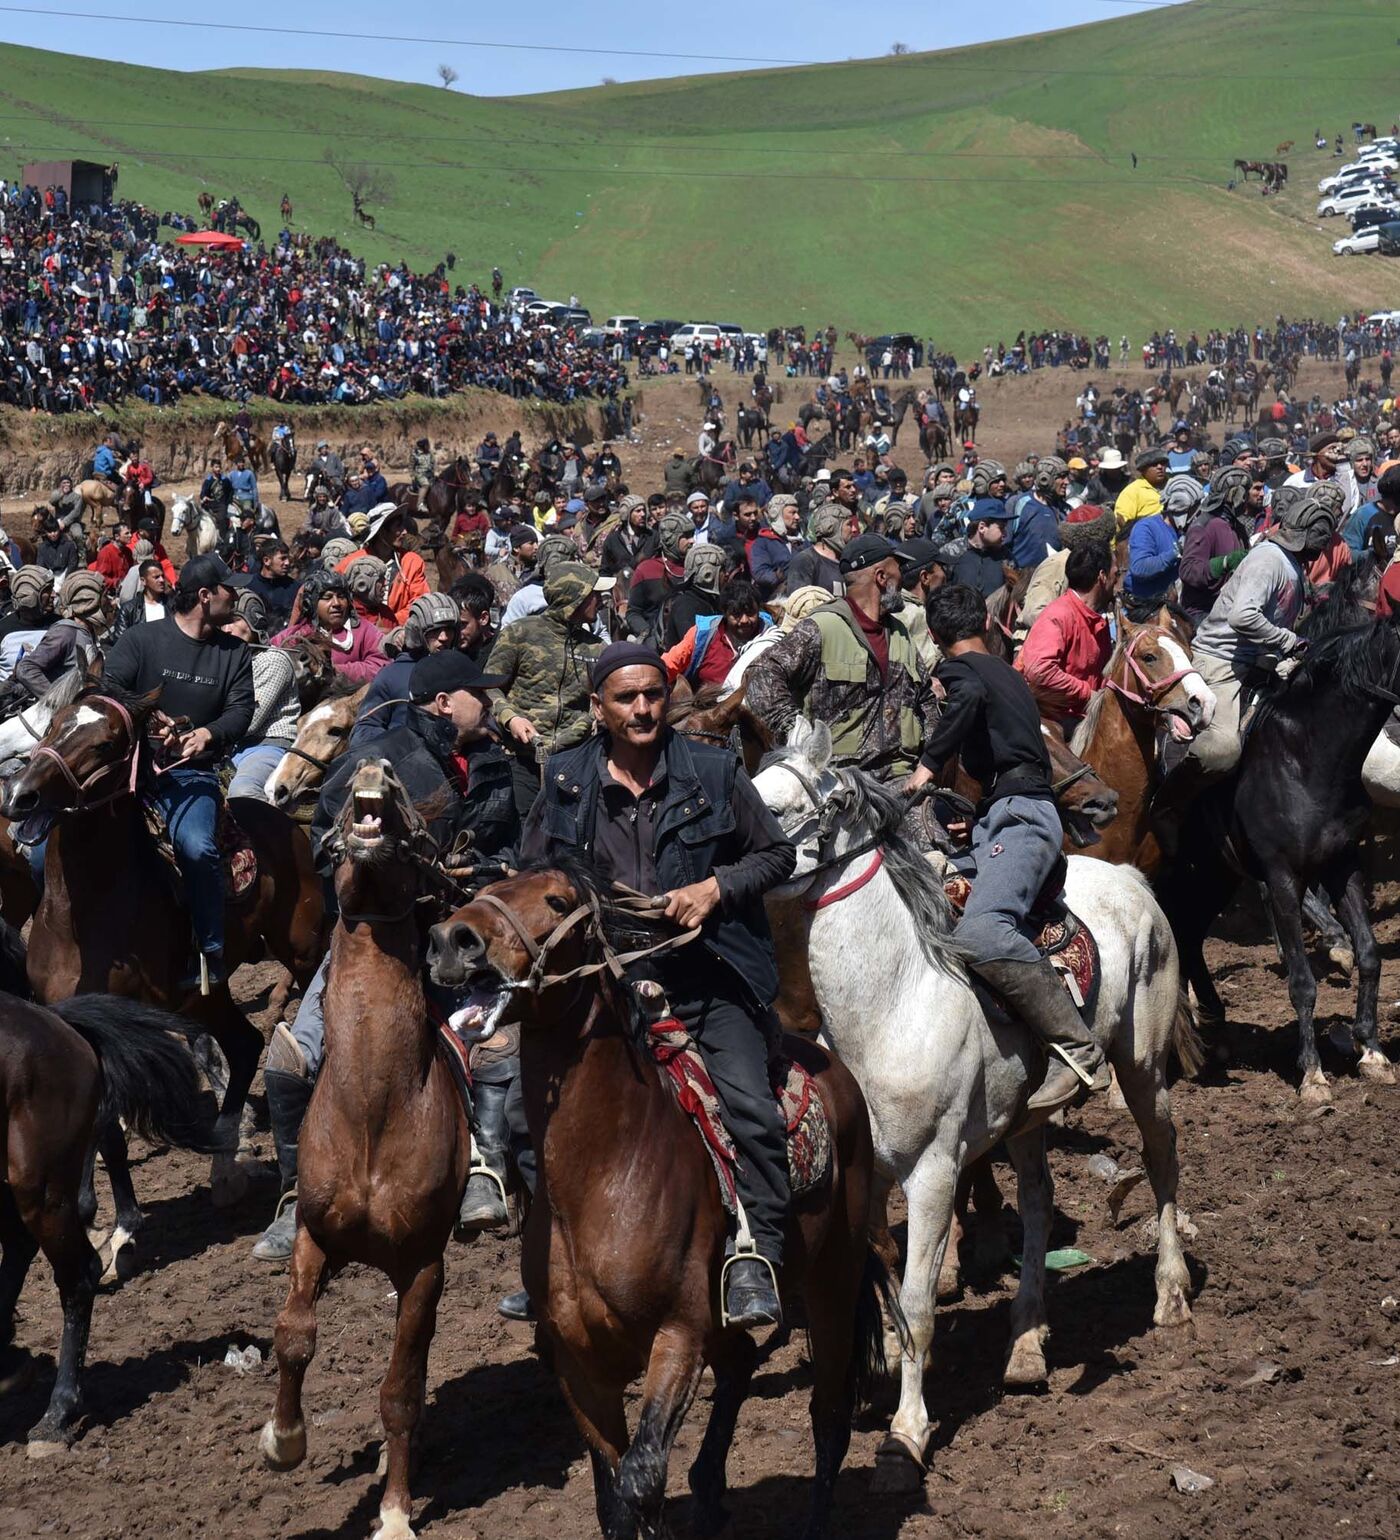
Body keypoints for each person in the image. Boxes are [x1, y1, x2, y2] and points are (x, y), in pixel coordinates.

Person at [520, 641, 797, 1327]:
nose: (643, 708)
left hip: (706, 974)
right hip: (603, 982)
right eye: (626, 698)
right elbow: (531, 876)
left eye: (653, 694)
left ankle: (757, 1254)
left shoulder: (713, 767)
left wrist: (715, 887)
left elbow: (778, 854)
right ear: (597, 708)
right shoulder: (563, 779)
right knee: (527, 1117)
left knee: (752, 1112)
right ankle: (547, 1262)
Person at [251, 648, 519, 1261]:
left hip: (460, 934)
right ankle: (294, 1196)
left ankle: (485, 1166)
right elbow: (326, 844)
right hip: (373, 937)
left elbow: (512, 845)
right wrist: (388, 870)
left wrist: (487, 874)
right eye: (483, 692)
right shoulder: (381, 759)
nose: (493, 702)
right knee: (291, 1058)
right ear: (446, 702)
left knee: (496, 1043)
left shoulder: (496, 766)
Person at [903, 584, 1110, 1114]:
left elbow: (965, 701)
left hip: (1019, 817)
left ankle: (1080, 1051)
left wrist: (927, 766)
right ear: (986, 625)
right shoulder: (1008, 672)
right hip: (1006, 815)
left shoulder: (962, 673)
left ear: (935, 636)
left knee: (980, 929)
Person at [1151, 488, 1337, 853]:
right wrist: (1288, 641)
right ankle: (1168, 805)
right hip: (1222, 661)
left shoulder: (1290, 564)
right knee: (1222, 749)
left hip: (1259, 661)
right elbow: (1242, 616)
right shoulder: (1269, 560)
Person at [103, 553, 254, 988]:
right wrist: (149, 718)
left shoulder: (234, 653)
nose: (238, 593)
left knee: (197, 847)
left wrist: (206, 734)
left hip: (191, 775)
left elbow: (242, 710)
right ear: (206, 596)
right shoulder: (142, 640)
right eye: (230, 587)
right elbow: (109, 690)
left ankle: (209, 949)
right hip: (126, 770)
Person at [747, 533, 932, 781]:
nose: (902, 579)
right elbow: (761, 674)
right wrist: (794, 729)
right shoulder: (823, 626)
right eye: (898, 569)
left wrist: (931, 759)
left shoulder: (900, 633)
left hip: (901, 777)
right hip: (838, 780)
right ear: (881, 577)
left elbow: (926, 697)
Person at [488, 561, 613, 817]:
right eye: (594, 594)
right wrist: (510, 718)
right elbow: (490, 688)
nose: (600, 600)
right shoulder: (519, 634)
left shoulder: (596, 648)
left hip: (575, 759)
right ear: (574, 597)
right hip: (521, 759)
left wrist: (589, 721)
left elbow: (603, 698)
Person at [1016, 540, 1115, 728]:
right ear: (1102, 576)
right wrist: (1087, 693)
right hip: (1051, 719)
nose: (1118, 580)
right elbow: (1040, 670)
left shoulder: (1095, 620)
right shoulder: (1059, 614)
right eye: (1115, 574)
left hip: (1083, 716)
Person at [349, 590, 462, 747]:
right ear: (417, 632)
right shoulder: (391, 676)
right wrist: (401, 744)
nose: (444, 637)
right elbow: (364, 729)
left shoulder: (461, 670)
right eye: (435, 631)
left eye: (449, 629)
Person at [226, 593, 300, 801]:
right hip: (227, 746)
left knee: (243, 792)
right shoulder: (223, 660)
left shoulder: (272, 660)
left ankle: (267, 833)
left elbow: (248, 720)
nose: (226, 628)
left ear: (254, 622)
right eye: (222, 622)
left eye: (233, 620)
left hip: (265, 745)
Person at [271, 567, 387, 684]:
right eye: (327, 597)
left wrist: (334, 671)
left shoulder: (365, 631)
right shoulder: (295, 634)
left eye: (341, 597)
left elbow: (380, 665)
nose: (336, 603)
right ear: (312, 604)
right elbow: (268, 656)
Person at [13, 571, 110, 701]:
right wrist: (58, 701)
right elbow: (26, 668)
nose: (109, 600)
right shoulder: (66, 632)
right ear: (88, 599)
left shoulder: (86, 632)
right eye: (105, 595)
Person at [661, 580, 769, 688]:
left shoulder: (770, 637)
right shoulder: (703, 635)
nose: (745, 620)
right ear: (725, 613)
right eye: (736, 614)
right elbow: (668, 665)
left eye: (750, 613)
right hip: (707, 702)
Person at [1178, 466, 1251, 622]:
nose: (1246, 499)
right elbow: (1188, 570)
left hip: (1232, 609)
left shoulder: (1239, 528)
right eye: (1243, 493)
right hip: (1202, 613)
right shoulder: (1203, 526)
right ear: (1233, 495)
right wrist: (1224, 563)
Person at [0, 565, 55, 681]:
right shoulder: (3, 629)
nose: (54, 595)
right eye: (48, 591)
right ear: (30, 596)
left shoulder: (60, 626)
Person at [784, 505, 848, 596]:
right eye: (849, 524)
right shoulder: (805, 561)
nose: (853, 530)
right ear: (830, 528)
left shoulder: (848, 561)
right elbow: (800, 604)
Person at [951, 505, 1010, 599]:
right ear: (982, 527)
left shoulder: (1005, 556)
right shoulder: (953, 552)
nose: (1005, 534)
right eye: (1001, 528)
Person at [112, 557, 173, 638]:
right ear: (143, 580)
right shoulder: (129, 610)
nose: (161, 580)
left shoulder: (173, 605)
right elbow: (121, 642)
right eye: (156, 577)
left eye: (162, 576)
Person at [245, 540, 298, 628]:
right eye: (283, 558)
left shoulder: (295, 588)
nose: (287, 563)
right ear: (266, 561)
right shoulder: (248, 586)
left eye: (288, 558)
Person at [1114, 447, 1169, 528]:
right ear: (1142, 469)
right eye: (1154, 464)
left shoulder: (1174, 485)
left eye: (1162, 463)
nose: (1160, 467)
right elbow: (1122, 523)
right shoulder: (1132, 492)